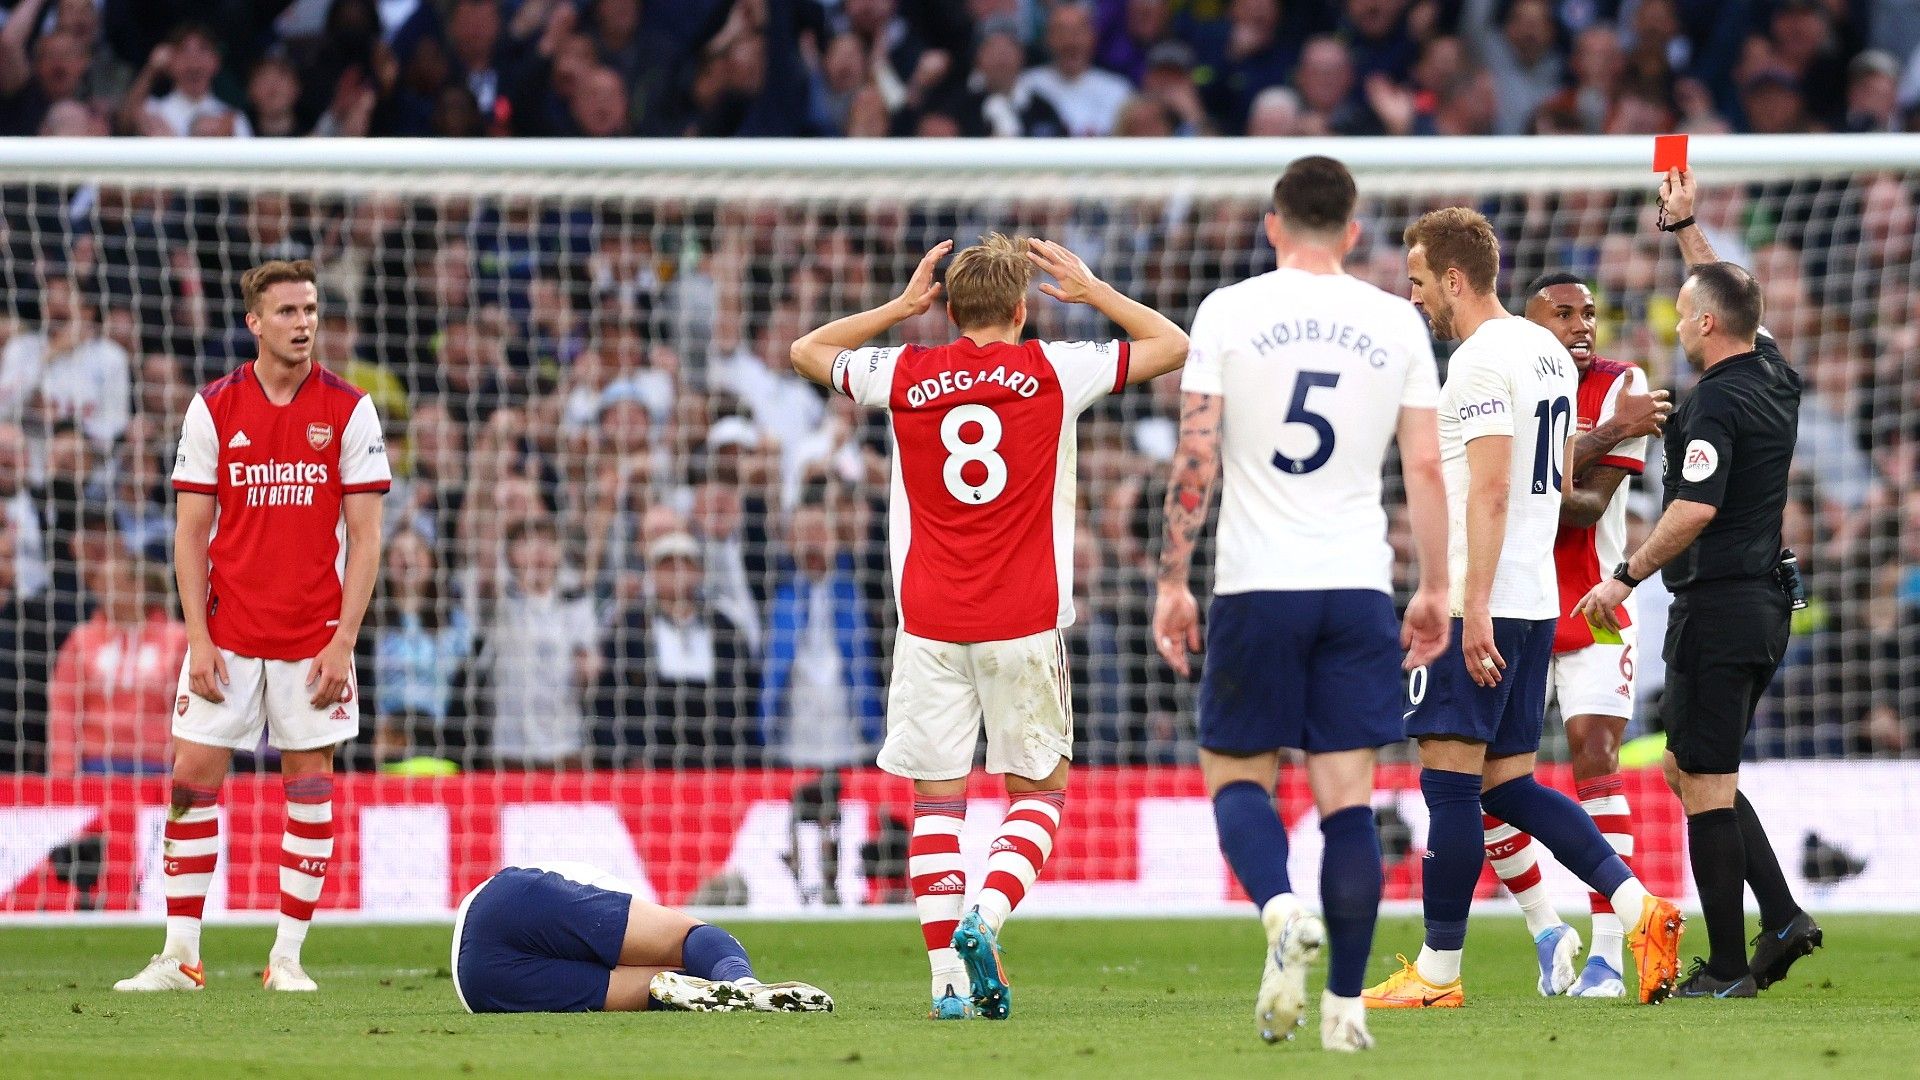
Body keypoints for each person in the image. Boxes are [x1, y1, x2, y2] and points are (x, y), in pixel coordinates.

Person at [789, 232, 1186, 1020]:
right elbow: (1172, 344)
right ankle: (988, 915)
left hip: (930, 622)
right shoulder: (1054, 369)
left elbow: (807, 351)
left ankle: (945, 984)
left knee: (937, 805)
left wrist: (899, 308)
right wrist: (1094, 291)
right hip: (1024, 620)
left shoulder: (904, 372)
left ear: (948, 310)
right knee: (1039, 793)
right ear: (1021, 308)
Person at [1150, 156, 1450, 1053]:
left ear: (1273, 225)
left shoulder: (1228, 311)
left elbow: (1196, 456)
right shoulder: (1396, 320)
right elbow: (1426, 464)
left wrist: (1172, 578)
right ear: (1353, 231)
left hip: (1255, 583)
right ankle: (1346, 1012)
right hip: (1356, 585)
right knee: (1347, 801)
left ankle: (1281, 910)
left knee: (1236, 775)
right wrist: (1436, 587)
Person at [1364, 208, 1683, 1009]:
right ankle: (1641, 909)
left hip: (1485, 599)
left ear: (1455, 279)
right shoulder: (1545, 353)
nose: (1414, 297)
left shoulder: (1478, 361)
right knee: (1505, 785)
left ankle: (1438, 973)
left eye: (1419, 281)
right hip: (1538, 599)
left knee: (1449, 785)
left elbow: (1495, 488)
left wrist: (1466, 606)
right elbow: (1558, 477)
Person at [1573, 168, 1822, 999]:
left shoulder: (1714, 404)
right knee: (1688, 767)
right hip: (1763, 603)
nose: (1676, 324)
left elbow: (1694, 509)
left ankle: (1724, 968)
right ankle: (1781, 917)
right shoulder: (1774, 371)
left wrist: (1623, 576)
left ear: (1706, 325)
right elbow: (1732, 294)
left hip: (1718, 605)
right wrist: (1685, 228)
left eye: (1683, 315)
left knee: (1706, 784)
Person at [115, 260, 390, 994]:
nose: (304, 323)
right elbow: (189, 534)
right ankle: (180, 957)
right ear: (255, 323)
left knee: (311, 785)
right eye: (288, 311)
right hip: (227, 636)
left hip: (314, 640)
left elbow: (366, 538)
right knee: (190, 779)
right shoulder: (213, 408)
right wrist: (198, 640)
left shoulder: (351, 410)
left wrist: (344, 641)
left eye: (310, 310)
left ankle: (287, 959)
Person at [1481, 272, 1674, 998]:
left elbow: (1584, 506)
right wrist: (1613, 432)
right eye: (1563, 314)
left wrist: (1546, 466)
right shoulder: (1501, 382)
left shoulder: (1624, 382)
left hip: (1596, 602)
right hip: (1511, 603)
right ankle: (1545, 929)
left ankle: (1609, 956)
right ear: (1530, 325)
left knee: (1596, 754)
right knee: (1487, 779)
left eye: (1588, 313)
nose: (1582, 325)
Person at [453, 861, 830, 1014]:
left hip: (477, 985)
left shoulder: (613, 898)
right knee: (688, 940)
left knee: (666, 987)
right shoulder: (622, 893)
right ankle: (745, 983)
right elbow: (692, 936)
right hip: (502, 909)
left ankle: (738, 992)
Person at [46, 550, 187, 776]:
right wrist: (63, 769)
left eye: (110, 583)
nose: (99, 590)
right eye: (99, 583)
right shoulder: (82, 639)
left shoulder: (176, 639)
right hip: (95, 765)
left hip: (159, 765)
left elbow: (189, 707)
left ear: (139, 587)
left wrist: (187, 768)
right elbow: (63, 706)